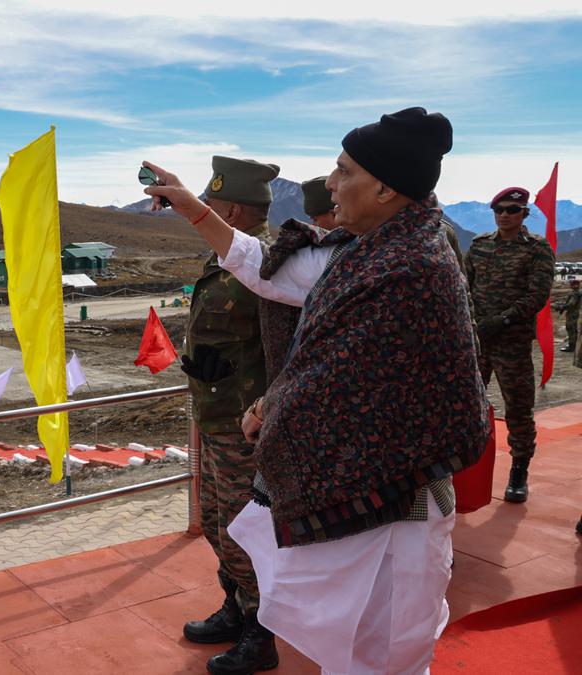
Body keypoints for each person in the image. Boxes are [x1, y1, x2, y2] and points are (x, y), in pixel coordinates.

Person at [144, 107, 489, 675]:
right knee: (349, 651)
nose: (330, 183)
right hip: (364, 500)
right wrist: (195, 209)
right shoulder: (371, 251)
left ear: (383, 187)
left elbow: (342, 382)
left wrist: (275, 404)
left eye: (343, 170)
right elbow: (270, 270)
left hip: (394, 506)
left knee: (385, 655)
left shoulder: (408, 269)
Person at [177, 155, 278, 675]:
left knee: (245, 532)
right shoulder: (224, 258)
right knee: (219, 525)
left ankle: (264, 632)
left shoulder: (267, 260)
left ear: (233, 210)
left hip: (246, 426)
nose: (206, 212)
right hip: (217, 415)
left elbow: (287, 346)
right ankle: (237, 609)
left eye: (211, 204)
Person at [464, 187, 555, 503]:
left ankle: (519, 470)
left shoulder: (536, 250)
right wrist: (474, 321)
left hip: (511, 344)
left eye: (512, 210)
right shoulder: (479, 247)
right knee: (465, 404)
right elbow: (465, 286)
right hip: (477, 341)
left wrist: (501, 320)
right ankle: (462, 468)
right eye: (499, 209)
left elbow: (537, 296)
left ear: (524, 214)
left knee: (517, 408)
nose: (505, 214)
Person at [554, 279, 581, 352]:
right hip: (573, 313)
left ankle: (572, 346)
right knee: (572, 329)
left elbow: (571, 304)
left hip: (572, 313)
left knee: (571, 329)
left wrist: (561, 307)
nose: (572, 285)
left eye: (573, 284)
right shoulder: (576, 292)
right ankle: (572, 345)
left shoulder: (575, 293)